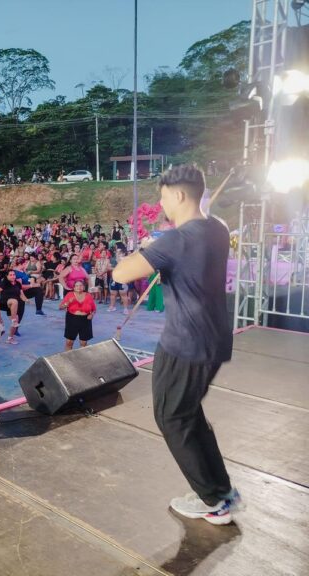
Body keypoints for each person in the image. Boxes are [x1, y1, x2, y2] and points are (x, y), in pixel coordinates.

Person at [113, 164, 239, 525]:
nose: (161, 202)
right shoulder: (217, 228)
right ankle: (221, 490)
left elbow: (121, 273)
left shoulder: (175, 241)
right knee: (188, 414)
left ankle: (216, 500)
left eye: (164, 195)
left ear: (179, 195)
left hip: (184, 343)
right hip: (214, 340)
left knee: (172, 416)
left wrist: (151, 247)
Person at [59, 279, 96, 350]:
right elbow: (61, 307)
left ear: (84, 287)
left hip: (85, 320)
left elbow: (93, 309)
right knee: (69, 342)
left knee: (83, 343)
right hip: (72, 319)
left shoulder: (88, 296)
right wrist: (68, 302)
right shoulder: (69, 295)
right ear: (74, 288)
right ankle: (67, 358)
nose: (79, 287)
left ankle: (81, 359)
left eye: (81, 285)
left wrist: (92, 315)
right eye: (77, 286)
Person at [0, 270, 28, 345]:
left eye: (14, 275)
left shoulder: (18, 283)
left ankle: (10, 338)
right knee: (14, 301)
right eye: (10, 275)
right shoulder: (4, 282)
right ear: (7, 276)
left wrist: (26, 300)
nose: (13, 276)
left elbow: (21, 294)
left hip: (12, 306)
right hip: (4, 302)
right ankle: (13, 320)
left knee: (16, 321)